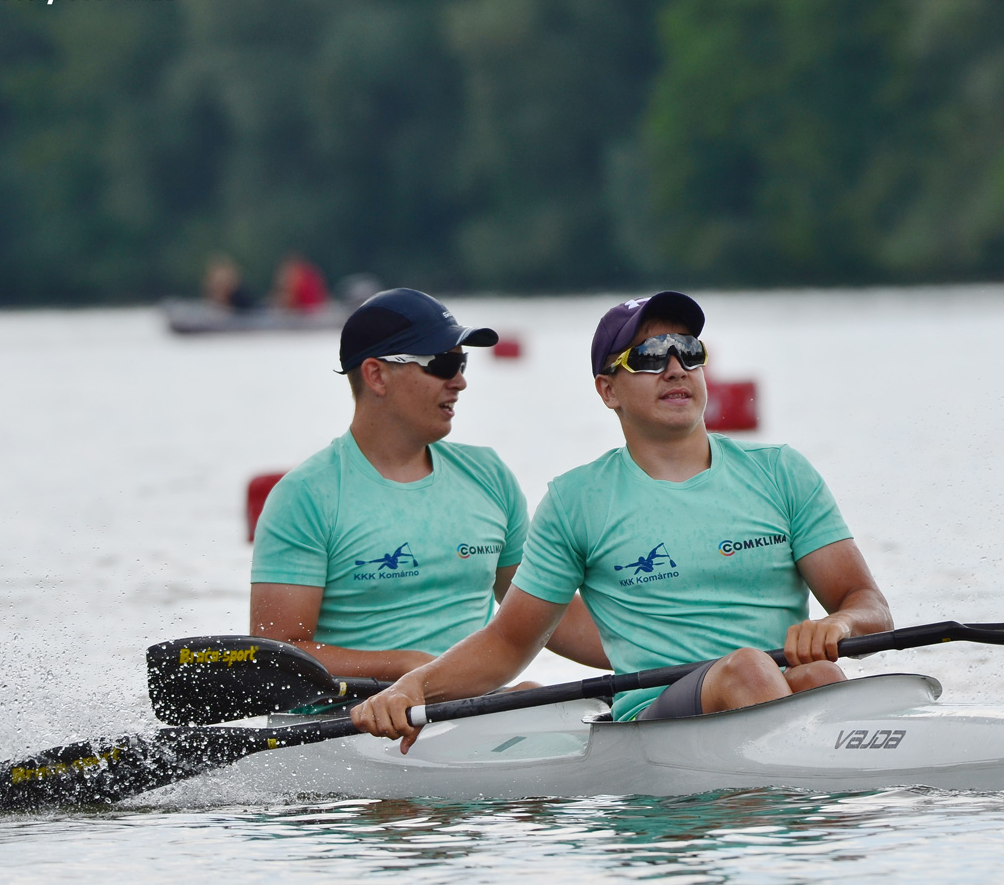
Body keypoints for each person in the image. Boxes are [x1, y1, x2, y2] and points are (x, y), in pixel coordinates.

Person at [351, 291, 892, 749]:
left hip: (775, 689)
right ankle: (804, 808)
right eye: (651, 356)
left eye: (689, 352)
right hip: (654, 722)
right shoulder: (577, 501)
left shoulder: (782, 473)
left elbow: (869, 607)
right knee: (749, 667)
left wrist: (838, 625)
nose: (676, 367)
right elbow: (508, 643)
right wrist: (414, 687)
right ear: (608, 390)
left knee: (819, 672)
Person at [250, 287, 607, 681]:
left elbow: (546, 615)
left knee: (533, 690)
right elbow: (277, 659)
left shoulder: (489, 475)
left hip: (474, 713)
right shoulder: (305, 496)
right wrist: (405, 667)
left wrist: (661, 652)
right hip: (353, 722)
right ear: (376, 375)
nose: (459, 382)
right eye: (441, 363)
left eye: (462, 363)